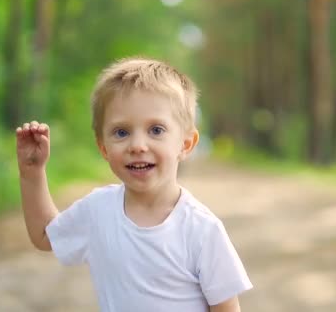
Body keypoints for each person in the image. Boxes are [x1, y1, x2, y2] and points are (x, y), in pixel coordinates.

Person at [15, 57, 252, 311]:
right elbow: (44, 236)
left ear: (185, 144)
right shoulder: (98, 210)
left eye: (156, 130)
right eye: (121, 132)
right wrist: (33, 174)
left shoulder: (202, 230)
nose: (138, 145)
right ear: (103, 147)